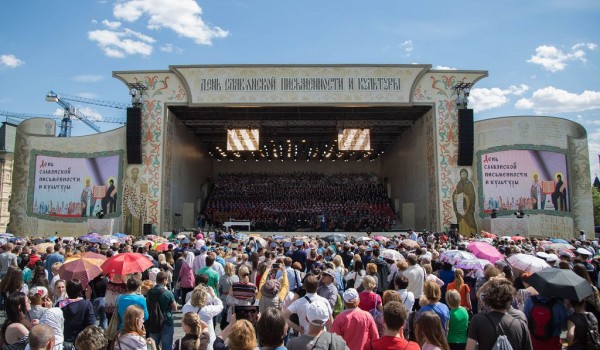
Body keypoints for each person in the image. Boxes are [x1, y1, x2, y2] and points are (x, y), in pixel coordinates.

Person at [466, 278, 533, 350]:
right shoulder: (521, 325)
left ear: (489, 299)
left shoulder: (477, 321)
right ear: (511, 299)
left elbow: (470, 348)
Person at [60, 279, 96, 350]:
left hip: (64, 340)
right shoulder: (86, 304)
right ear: (80, 290)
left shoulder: (60, 305)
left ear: (66, 290)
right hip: (81, 342)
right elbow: (91, 324)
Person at [147, 271, 177, 350]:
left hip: (153, 321)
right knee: (167, 346)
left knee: (152, 345)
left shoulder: (149, 292)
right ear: (164, 280)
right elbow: (175, 307)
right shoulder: (168, 293)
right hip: (166, 320)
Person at [123, 166, 148, 236]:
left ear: (138, 173)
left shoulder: (141, 182)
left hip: (138, 204)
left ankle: (137, 235)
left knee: (137, 220)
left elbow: (144, 194)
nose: (135, 174)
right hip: (129, 204)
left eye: (136, 172)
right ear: (131, 173)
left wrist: (140, 197)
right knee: (129, 220)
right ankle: (128, 235)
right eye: (133, 172)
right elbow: (125, 193)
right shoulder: (128, 182)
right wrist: (129, 191)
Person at [452, 169, 477, 236]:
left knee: (470, 220)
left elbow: (472, 195)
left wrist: (465, 196)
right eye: (461, 174)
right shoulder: (459, 184)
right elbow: (455, 193)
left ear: (467, 175)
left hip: (468, 208)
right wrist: (455, 196)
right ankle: (462, 234)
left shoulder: (469, 184)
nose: (463, 176)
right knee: (461, 221)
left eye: (464, 174)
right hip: (460, 208)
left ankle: (472, 234)